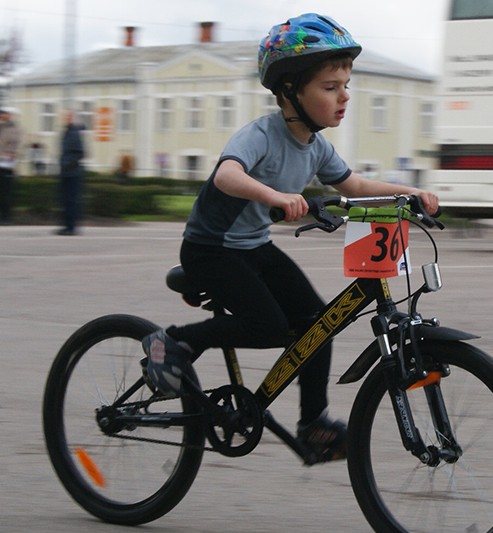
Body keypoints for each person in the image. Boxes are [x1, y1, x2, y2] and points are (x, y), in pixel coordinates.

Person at [141, 13, 439, 461]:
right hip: (211, 249)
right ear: (290, 91)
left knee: (318, 324)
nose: (344, 96)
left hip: (253, 248)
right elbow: (226, 176)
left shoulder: (316, 146)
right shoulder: (260, 135)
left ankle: (312, 424)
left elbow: (354, 186)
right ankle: (176, 340)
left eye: (345, 85)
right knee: (270, 326)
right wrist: (275, 195)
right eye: (330, 86)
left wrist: (411, 192)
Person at [57, 110, 85, 235]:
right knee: (65, 200)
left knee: (71, 200)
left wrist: (69, 166)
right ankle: (67, 225)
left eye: (69, 116)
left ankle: (71, 227)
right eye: (66, 116)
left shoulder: (75, 133)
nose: (66, 118)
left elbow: (80, 153)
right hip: (65, 172)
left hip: (73, 173)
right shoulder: (67, 132)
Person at [0, 107, 21, 225]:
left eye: (4, 114)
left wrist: (6, 153)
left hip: (7, 165)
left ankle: (6, 218)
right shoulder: (2, 127)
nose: (2, 115)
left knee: (6, 193)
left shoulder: (14, 129)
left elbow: (12, 144)